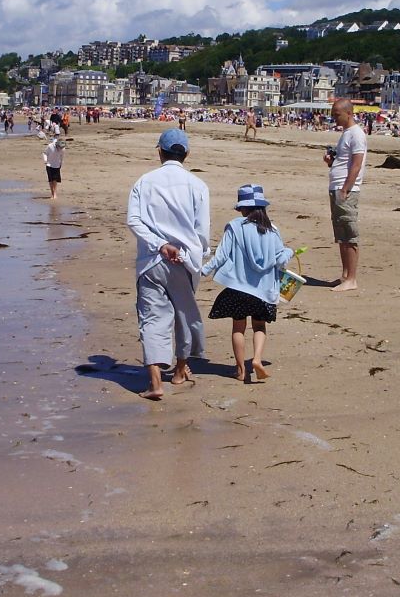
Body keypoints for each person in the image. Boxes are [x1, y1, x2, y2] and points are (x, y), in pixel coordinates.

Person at [126, 128, 210, 401]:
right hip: (184, 259)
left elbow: (134, 220)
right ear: (186, 154)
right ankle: (179, 369)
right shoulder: (197, 185)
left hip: (152, 259)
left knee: (152, 318)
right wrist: (195, 256)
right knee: (183, 313)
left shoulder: (144, 182)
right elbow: (202, 231)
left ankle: (155, 382)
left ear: (160, 152)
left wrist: (159, 244)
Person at [202, 184, 293, 383]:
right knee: (259, 326)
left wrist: (204, 270)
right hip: (264, 290)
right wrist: (290, 251)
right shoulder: (273, 230)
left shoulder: (235, 226)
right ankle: (257, 359)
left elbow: (222, 255)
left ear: (243, 208)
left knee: (238, 328)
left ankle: (241, 369)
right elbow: (280, 259)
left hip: (239, 288)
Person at [324, 99, 366, 292]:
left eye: (336, 114)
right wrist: (330, 162)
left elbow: (357, 165)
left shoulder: (356, 134)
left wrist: (346, 188)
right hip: (338, 187)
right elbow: (343, 163)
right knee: (341, 235)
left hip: (346, 189)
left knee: (349, 234)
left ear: (348, 113)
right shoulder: (346, 134)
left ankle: (352, 278)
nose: (334, 118)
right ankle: (345, 275)